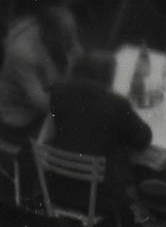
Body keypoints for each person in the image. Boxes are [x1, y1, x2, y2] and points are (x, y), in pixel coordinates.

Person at [45, 49, 153, 208]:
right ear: (108, 76)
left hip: (56, 186)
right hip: (100, 197)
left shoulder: (59, 94)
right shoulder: (117, 104)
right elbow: (143, 140)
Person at [0, 6, 78, 147]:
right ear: (49, 34)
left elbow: (76, 55)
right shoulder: (24, 54)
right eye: (66, 36)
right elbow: (40, 103)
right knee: (68, 136)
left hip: (34, 105)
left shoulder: (54, 38)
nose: (72, 40)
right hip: (11, 118)